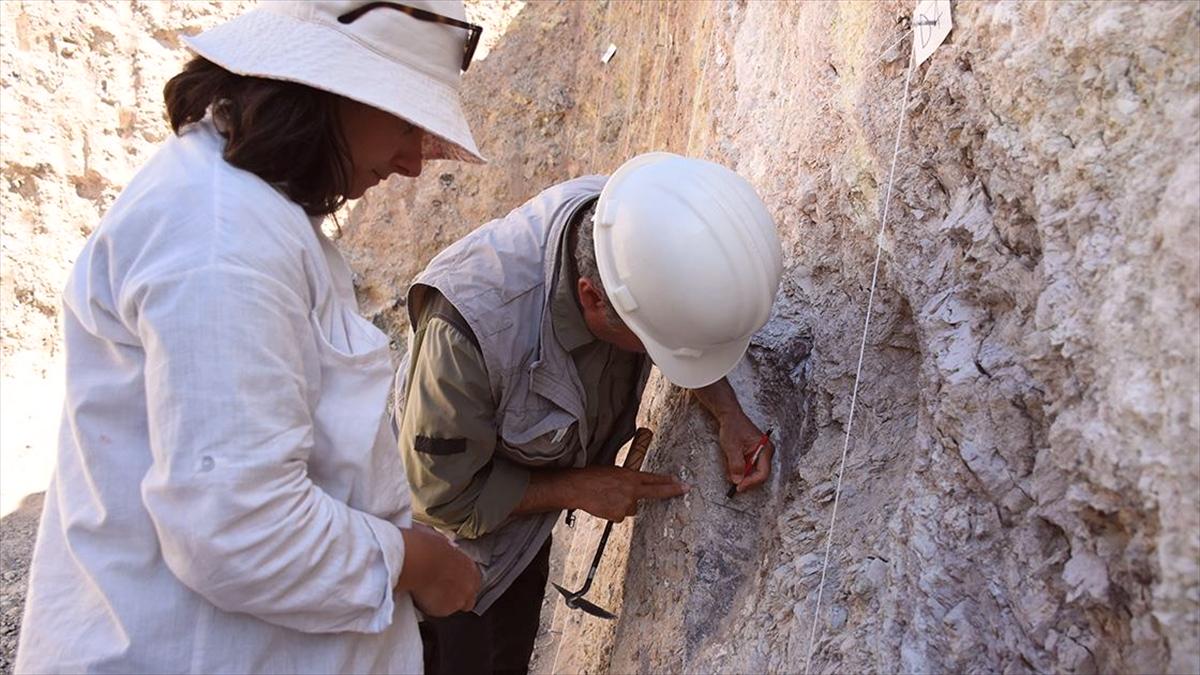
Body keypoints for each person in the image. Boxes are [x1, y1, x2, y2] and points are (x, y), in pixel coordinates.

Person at [16, 2, 487, 673]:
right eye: (407, 120)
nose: (413, 161)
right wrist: (421, 562)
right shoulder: (222, 238)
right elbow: (239, 528)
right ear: (328, 92)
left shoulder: (246, 213)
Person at [395, 152, 784, 673]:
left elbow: (671, 323)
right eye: (648, 341)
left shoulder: (635, 224)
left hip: (521, 533)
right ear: (592, 300)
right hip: (450, 550)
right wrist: (577, 488)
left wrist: (728, 413)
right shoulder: (470, 333)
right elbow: (439, 496)